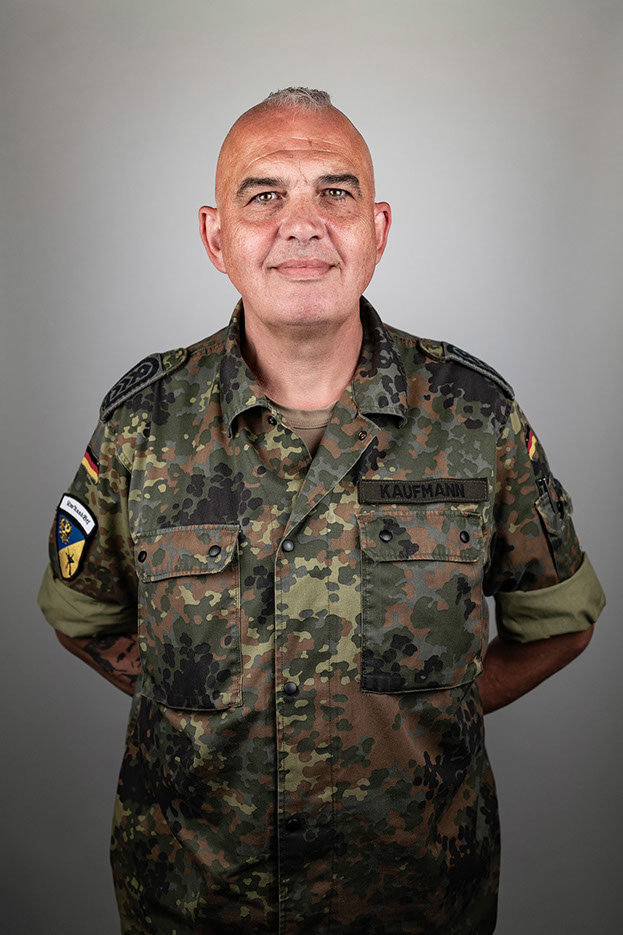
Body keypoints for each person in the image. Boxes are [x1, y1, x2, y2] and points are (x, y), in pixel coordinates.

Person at [38, 87, 606, 935]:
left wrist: (430, 712)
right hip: (196, 901)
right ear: (215, 237)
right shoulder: (142, 426)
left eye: (333, 193)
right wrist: (205, 704)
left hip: (413, 902)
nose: (301, 224)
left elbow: (558, 621)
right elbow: (82, 615)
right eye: (263, 195)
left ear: (377, 229)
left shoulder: (473, 417)